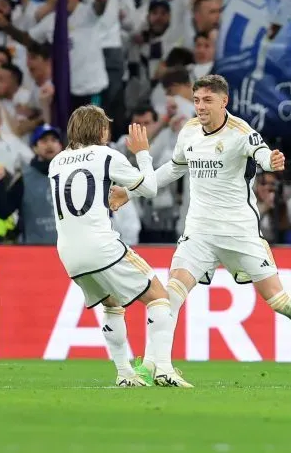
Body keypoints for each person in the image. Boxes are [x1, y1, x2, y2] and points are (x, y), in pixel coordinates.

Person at [110, 75, 291, 385]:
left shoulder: (242, 132)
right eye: (197, 100)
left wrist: (272, 160)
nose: (200, 107)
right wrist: (130, 190)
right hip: (199, 232)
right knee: (170, 293)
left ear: (224, 101)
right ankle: (152, 365)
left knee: (279, 301)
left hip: (239, 233)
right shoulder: (188, 131)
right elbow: (173, 168)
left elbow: (262, 155)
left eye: (207, 100)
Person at [49, 106, 187, 387]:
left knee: (112, 305)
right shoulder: (106, 155)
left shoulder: (57, 161)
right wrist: (142, 153)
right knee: (159, 296)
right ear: (101, 131)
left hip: (68, 252)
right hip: (101, 246)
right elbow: (149, 188)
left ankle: (125, 374)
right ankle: (162, 368)